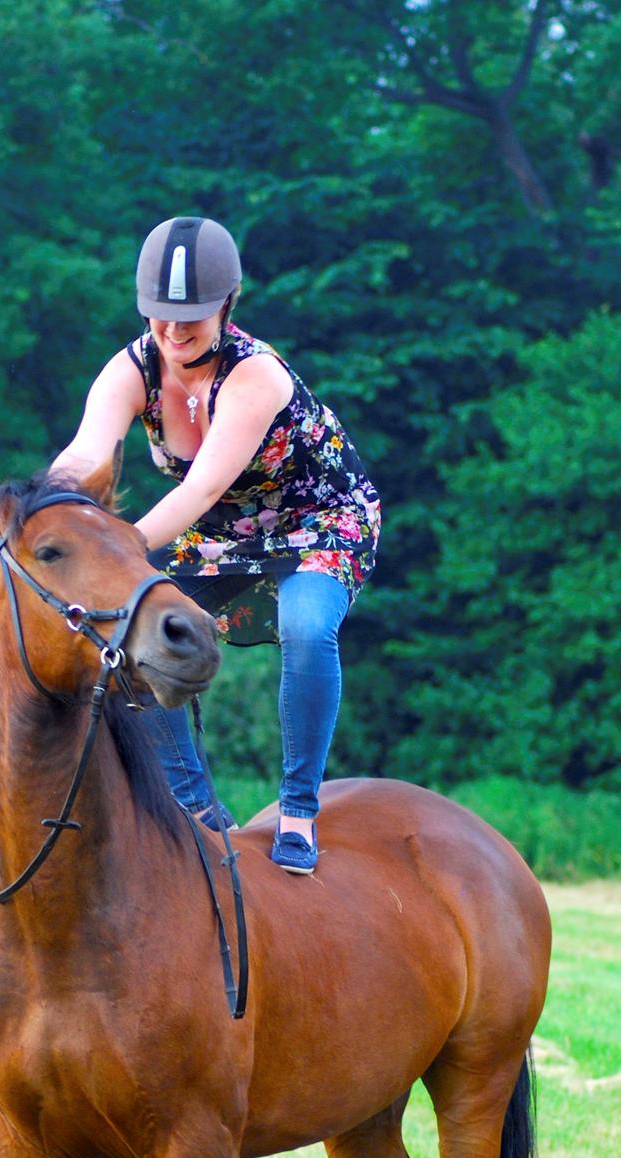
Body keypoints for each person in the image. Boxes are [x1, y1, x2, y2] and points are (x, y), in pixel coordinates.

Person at [52, 216, 380, 873]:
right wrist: (40, 511)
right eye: (160, 316)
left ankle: (298, 809)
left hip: (319, 522)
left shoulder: (255, 376)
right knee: (131, 632)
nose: (174, 332)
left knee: (307, 629)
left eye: (192, 318)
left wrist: (119, 548)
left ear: (229, 305)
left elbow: (201, 489)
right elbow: (86, 454)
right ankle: (198, 809)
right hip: (221, 537)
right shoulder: (131, 369)